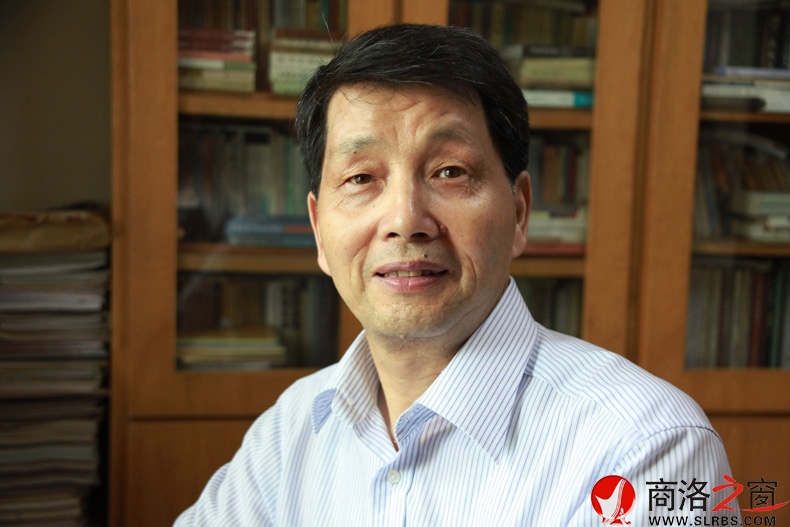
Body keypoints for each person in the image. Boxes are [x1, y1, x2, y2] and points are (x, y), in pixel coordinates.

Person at [175, 24, 737, 526]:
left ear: (519, 212)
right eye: (362, 178)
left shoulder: (647, 446)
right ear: (320, 231)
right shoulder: (290, 430)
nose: (405, 221)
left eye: (449, 171)